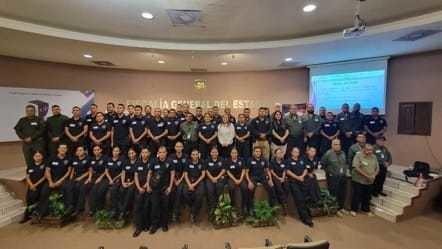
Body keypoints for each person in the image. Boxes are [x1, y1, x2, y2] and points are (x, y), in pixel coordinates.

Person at [36, 143, 73, 220]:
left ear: (66, 150)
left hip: (63, 179)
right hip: (52, 179)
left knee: (67, 189)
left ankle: (66, 212)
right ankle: (41, 213)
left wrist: (60, 181)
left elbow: (68, 172)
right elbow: (47, 171)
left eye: (65, 148)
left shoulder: (69, 159)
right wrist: (50, 182)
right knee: (44, 191)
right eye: (61, 148)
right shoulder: (51, 158)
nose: (63, 150)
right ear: (58, 149)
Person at [146, 146, 175, 234]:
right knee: (155, 207)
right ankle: (155, 225)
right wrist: (148, 185)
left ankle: (164, 224)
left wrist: (170, 187)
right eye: (160, 152)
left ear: (166, 153)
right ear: (158, 153)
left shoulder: (170, 162)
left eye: (163, 152)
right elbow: (149, 173)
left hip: (165, 189)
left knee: (165, 207)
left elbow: (172, 174)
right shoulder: (153, 161)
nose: (162, 154)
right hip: (155, 189)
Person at [285, 147, 314, 227]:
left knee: (305, 198)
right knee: (300, 199)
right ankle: (305, 219)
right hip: (293, 182)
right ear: (291, 152)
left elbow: (305, 169)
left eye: (297, 152)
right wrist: (297, 177)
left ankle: (307, 215)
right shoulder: (288, 161)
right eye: (294, 151)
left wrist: (302, 176)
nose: (296, 153)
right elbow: (287, 171)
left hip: (302, 181)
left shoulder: (301, 160)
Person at [321, 139, 349, 216]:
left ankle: (341, 208)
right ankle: (335, 209)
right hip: (333, 177)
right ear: (332, 145)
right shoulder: (328, 154)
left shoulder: (343, 153)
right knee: (334, 194)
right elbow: (323, 164)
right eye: (335, 144)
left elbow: (345, 163)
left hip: (343, 176)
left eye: (339, 144)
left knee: (342, 193)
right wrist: (329, 172)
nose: (337, 146)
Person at [245, 146, 276, 214]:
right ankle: (249, 209)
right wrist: (249, 182)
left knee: (271, 188)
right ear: (254, 152)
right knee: (250, 190)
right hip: (253, 177)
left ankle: (272, 207)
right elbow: (246, 173)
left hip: (262, 177)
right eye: (256, 151)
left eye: (259, 151)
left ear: (261, 152)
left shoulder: (264, 159)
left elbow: (267, 171)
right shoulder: (250, 160)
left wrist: (270, 179)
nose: (258, 153)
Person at [350, 143, 379, 217]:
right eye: (368, 150)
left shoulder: (374, 157)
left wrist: (374, 175)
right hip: (359, 180)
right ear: (364, 149)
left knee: (367, 196)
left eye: (371, 150)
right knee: (357, 195)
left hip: (370, 181)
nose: (370, 151)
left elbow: (377, 168)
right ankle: (354, 210)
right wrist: (367, 176)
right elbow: (356, 168)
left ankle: (365, 209)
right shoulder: (358, 155)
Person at [20, 151, 47, 223]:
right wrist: (31, 185)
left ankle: (37, 215)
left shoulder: (44, 165)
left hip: (41, 185)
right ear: (33, 157)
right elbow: (27, 177)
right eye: (36, 156)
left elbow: (45, 176)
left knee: (39, 199)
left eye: (39, 156)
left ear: (42, 157)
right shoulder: (30, 166)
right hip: (31, 186)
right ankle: (27, 216)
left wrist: (36, 184)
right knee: (29, 200)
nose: (37, 157)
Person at [132, 147, 152, 237]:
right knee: (137, 207)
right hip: (138, 188)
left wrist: (147, 184)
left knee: (146, 206)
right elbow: (135, 176)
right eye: (143, 152)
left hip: (148, 187)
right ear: (141, 154)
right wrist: (139, 187)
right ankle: (138, 228)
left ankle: (146, 225)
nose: (144, 154)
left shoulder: (151, 163)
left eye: (146, 152)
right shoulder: (137, 163)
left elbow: (152, 175)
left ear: (149, 153)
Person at [183, 149, 206, 223]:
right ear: (191, 155)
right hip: (189, 181)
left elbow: (203, 175)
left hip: (199, 181)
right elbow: (185, 175)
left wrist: (194, 184)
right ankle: (192, 207)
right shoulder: (187, 162)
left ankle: (193, 213)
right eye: (193, 154)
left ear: (198, 155)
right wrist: (190, 184)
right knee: (185, 193)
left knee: (200, 195)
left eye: (196, 154)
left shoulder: (202, 162)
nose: (195, 156)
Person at [169, 142, 188, 222]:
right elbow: (171, 171)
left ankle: (176, 213)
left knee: (180, 191)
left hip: (183, 178)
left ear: (182, 148)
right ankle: (173, 212)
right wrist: (175, 181)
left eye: (180, 146)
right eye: (177, 146)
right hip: (172, 178)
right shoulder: (171, 157)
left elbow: (185, 171)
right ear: (175, 148)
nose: (178, 148)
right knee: (172, 192)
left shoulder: (186, 156)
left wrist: (179, 180)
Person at [70, 146, 92, 217]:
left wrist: (81, 178)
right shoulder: (74, 159)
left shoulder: (88, 159)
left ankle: (79, 209)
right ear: (76, 152)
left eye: (81, 150)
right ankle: (71, 207)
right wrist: (71, 177)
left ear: (84, 151)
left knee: (80, 187)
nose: (80, 152)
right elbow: (73, 170)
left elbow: (90, 171)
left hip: (84, 177)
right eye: (78, 150)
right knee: (70, 187)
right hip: (76, 177)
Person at [225, 147, 248, 214]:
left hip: (240, 177)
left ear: (237, 154)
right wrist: (235, 180)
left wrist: (240, 179)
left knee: (245, 188)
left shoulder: (241, 160)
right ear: (230, 154)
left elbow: (243, 170)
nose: (234, 154)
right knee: (231, 188)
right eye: (232, 153)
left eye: (235, 153)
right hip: (231, 178)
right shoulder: (228, 161)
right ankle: (233, 203)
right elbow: (228, 172)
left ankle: (244, 205)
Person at [204, 146, 226, 214]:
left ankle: (219, 206)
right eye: (213, 152)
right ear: (210, 153)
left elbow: (223, 170)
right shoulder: (207, 160)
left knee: (219, 187)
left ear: (218, 153)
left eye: (216, 152)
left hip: (219, 178)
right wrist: (212, 178)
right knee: (210, 189)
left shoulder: (221, 159)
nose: (214, 153)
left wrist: (216, 178)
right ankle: (211, 207)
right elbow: (206, 170)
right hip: (209, 178)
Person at [88, 145, 108, 215]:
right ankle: (92, 210)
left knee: (100, 191)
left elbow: (106, 170)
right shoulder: (92, 159)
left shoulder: (105, 158)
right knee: (92, 189)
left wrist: (100, 178)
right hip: (94, 177)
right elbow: (90, 169)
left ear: (100, 150)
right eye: (95, 150)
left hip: (104, 177)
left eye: (98, 150)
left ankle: (100, 209)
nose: (96, 151)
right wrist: (90, 177)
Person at [118, 147, 137, 220]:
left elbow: (137, 175)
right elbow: (123, 173)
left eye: (132, 153)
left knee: (130, 191)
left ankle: (123, 211)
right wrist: (123, 182)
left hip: (134, 182)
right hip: (125, 181)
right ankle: (123, 210)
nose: (131, 155)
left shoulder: (138, 162)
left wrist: (132, 183)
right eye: (129, 153)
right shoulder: (126, 162)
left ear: (135, 153)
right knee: (121, 190)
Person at [269, 148, 289, 215]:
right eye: (278, 153)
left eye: (281, 153)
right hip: (275, 177)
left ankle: (283, 201)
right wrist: (278, 178)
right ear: (275, 154)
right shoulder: (272, 162)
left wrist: (283, 178)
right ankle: (283, 204)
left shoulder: (284, 161)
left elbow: (284, 170)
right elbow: (272, 171)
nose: (279, 154)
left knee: (287, 187)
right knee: (279, 188)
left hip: (282, 177)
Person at [106, 146, 124, 217]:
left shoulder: (122, 160)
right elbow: (106, 171)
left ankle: (115, 210)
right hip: (110, 179)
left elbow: (123, 172)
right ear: (112, 152)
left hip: (118, 179)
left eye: (117, 151)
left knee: (114, 190)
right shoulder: (109, 160)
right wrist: (110, 179)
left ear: (119, 152)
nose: (115, 152)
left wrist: (115, 179)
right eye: (114, 151)